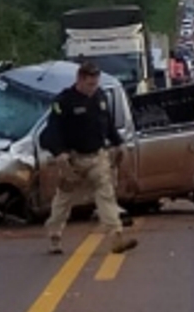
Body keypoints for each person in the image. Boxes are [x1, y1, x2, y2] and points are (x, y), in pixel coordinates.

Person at [40, 61, 138, 256]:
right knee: (64, 199)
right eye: (89, 84)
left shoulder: (100, 98)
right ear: (80, 80)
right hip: (73, 159)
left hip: (97, 156)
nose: (92, 88)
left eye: (95, 83)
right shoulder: (64, 102)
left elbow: (107, 124)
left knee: (106, 195)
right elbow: (51, 131)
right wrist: (59, 153)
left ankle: (116, 236)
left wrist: (118, 143)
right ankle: (54, 235)